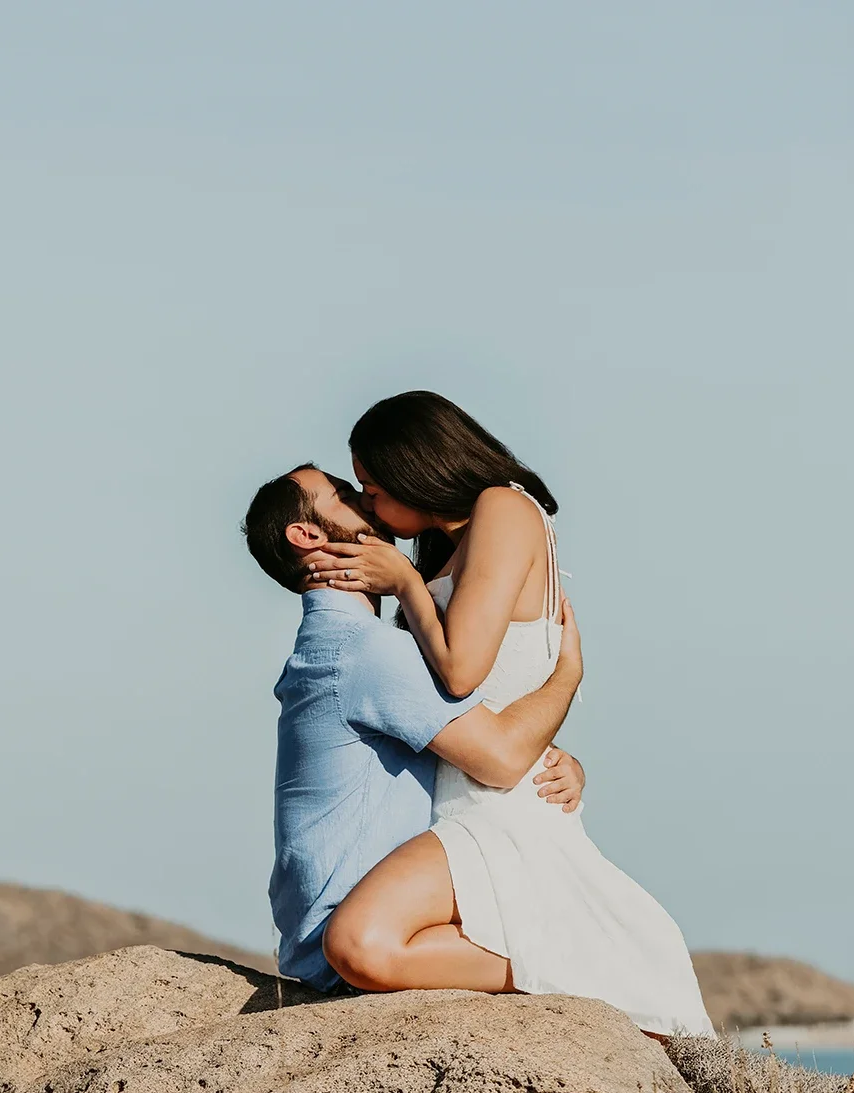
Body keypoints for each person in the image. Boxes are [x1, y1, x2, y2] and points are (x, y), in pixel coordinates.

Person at [303, 391, 714, 1037]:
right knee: (356, 949)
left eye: (374, 486)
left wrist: (405, 587)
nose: (370, 504)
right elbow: (491, 688)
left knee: (361, 944)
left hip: (495, 809)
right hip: (463, 799)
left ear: (418, 467)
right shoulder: (447, 546)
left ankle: (592, 963)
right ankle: (570, 956)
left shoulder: (503, 506)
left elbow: (463, 671)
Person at [241, 463, 586, 994]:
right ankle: (572, 960)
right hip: (365, 938)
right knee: (560, 927)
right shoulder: (364, 649)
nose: (368, 499)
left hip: (336, 934)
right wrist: (567, 676)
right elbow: (500, 760)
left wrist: (561, 759)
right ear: (306, 535)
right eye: (342, 494)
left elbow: (476, 734)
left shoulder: (334, 647)